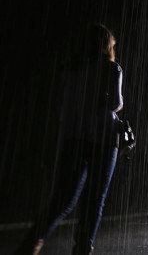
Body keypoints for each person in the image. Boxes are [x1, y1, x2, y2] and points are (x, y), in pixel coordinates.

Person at [16, 24, 124, 255]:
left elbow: (61, 108)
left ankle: (33, 242)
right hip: (104, 138)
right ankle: (83, 248)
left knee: (64, 198)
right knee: (95, 199)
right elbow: (115, 103)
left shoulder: (69, 69)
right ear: (107, 45)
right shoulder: (111, 69)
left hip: (73, 138)